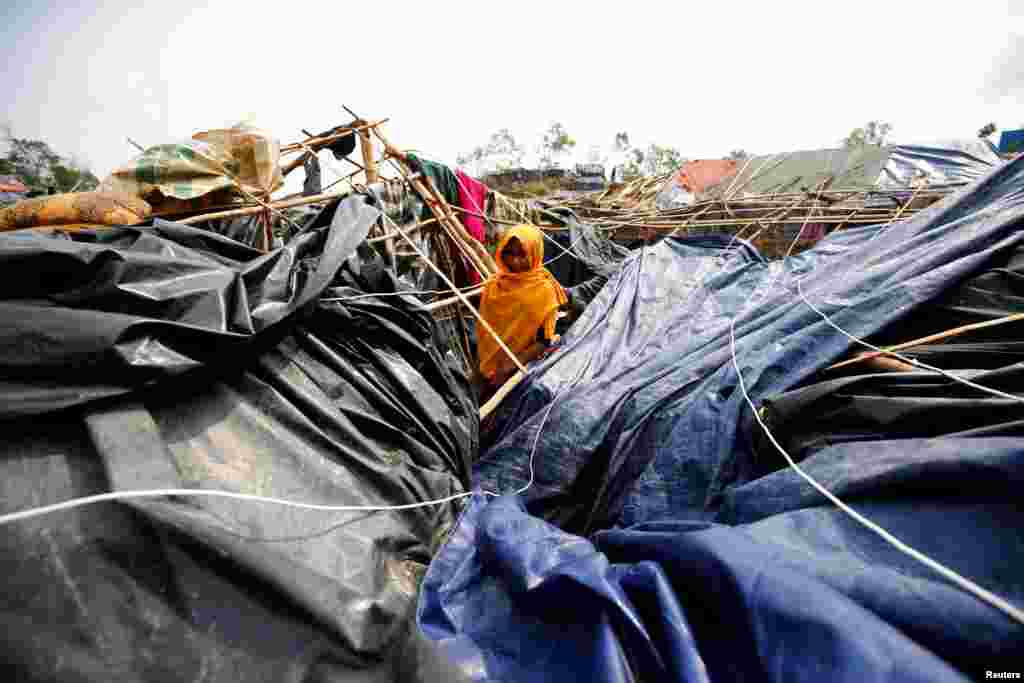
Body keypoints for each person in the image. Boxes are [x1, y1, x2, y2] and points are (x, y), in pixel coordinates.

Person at [476, 224, 568, 398]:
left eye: (522, 254)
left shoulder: (544, 290)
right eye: (509, 253)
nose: (514, 261)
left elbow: (544, 341)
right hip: (487, 365)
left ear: (534, 254)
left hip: (521, 369)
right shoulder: (494, 285)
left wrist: (509, 366)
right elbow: (484, 331)